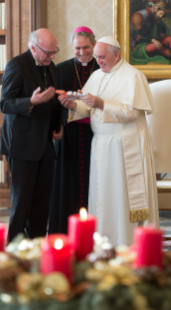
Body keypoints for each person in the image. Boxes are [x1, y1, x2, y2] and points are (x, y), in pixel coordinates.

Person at [59, 36, 159, 246]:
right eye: (97, 57)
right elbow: (86, 106)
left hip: (125, 145)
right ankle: (105, 242)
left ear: (116, 54)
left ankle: (128, 242)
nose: (99, 61)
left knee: (122, 197)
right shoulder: (97, 75)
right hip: (102, 145)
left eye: (102, 57)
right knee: (104, 196)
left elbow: (132, 112)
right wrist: (72, 106)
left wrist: (102, 103)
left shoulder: (133, 76)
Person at [0, 29, 62, 242]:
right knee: (22, 202)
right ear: (33, 48)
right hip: (22, 144)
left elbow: (50, 102)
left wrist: (58, 124)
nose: (52, 57)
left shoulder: (50, 67)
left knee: (41, 201)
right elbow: (5, 104)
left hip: (44, 143)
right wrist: (31, 102)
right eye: (48, 52)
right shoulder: (16, 65)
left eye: (54, 52)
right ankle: (14, 250)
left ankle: (36, 245)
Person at [48, 26, 99, 234]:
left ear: (94, 45)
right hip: (68, 134)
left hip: (96, 134)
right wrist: (56, 125)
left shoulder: (102, 68)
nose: (81, 52)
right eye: (77, 48)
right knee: (66, 183)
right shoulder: (60, 69)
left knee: (93, 182)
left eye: (86, 47)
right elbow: (52, 104)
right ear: (72, 47)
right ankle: (63, 231)